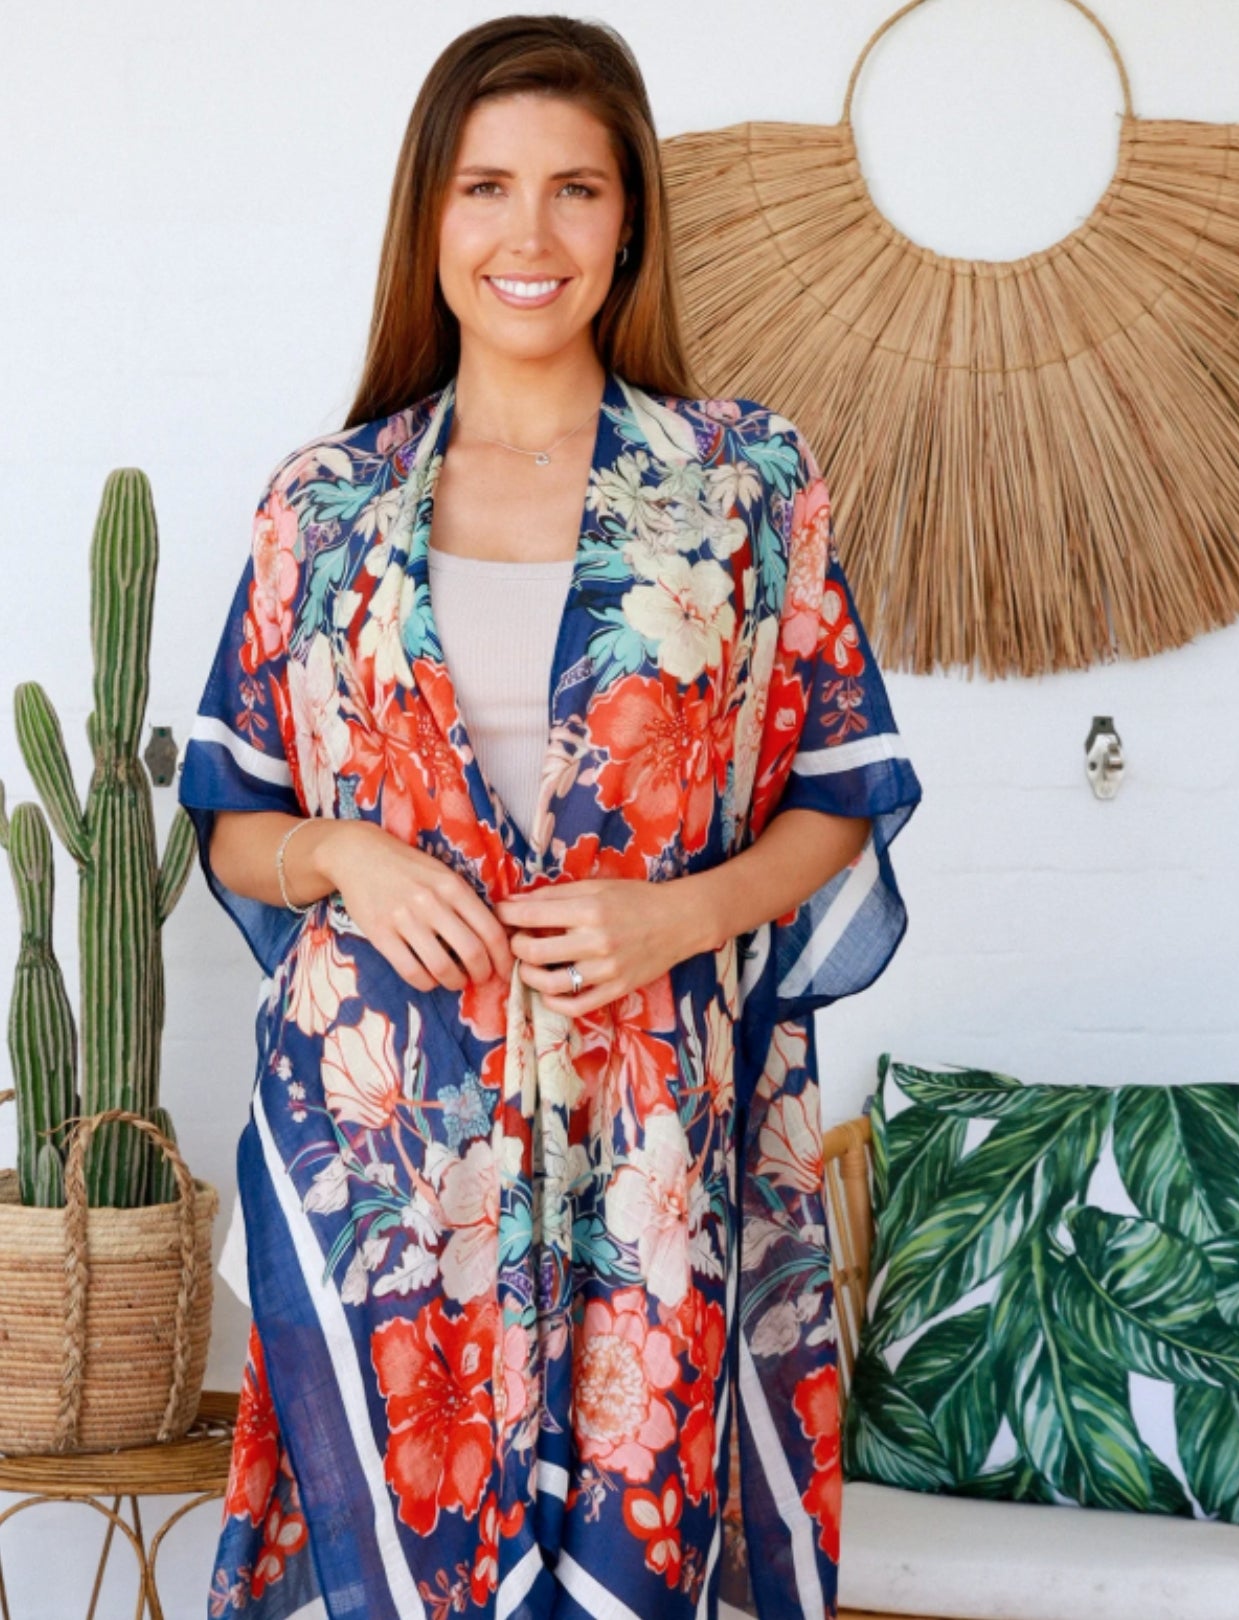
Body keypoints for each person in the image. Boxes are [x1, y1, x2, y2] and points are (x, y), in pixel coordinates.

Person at [180, 14, 922, 1620]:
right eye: (485, 188)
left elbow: (840, 782)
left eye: (575, 191)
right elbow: (236, 813)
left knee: (639, 1552)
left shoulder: (742, 485)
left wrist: (683, 911)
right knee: (400, 1551)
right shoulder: (324, 501)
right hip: (382, 1144)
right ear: (427, 221)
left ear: (631, 219)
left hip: (655, 1126)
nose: (530, 236)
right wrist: (342, 855)